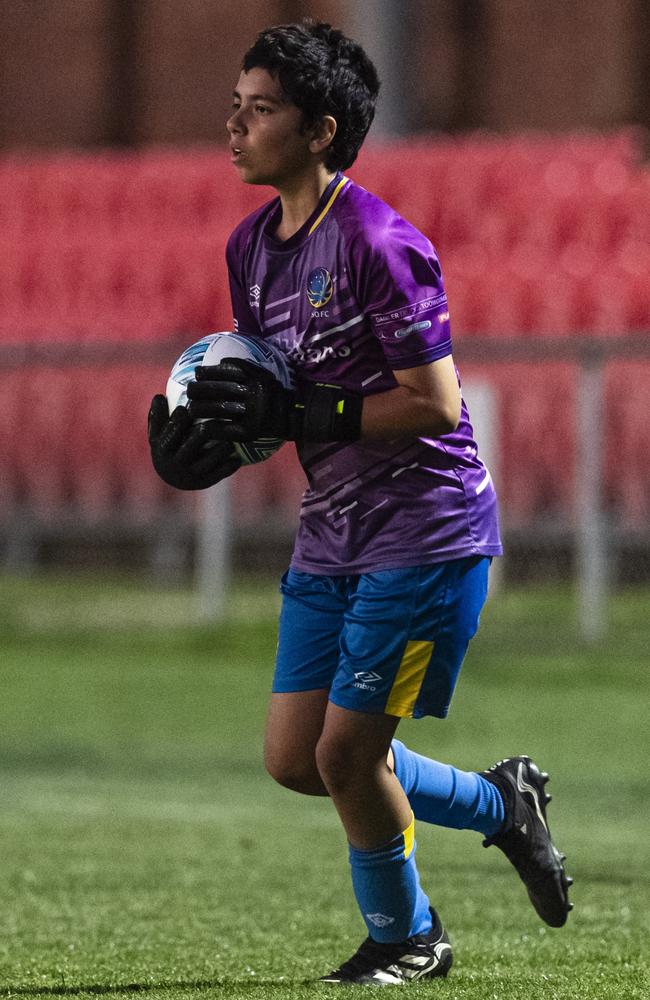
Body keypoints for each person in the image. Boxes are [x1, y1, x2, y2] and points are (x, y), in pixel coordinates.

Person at [148, 20, 572, 986]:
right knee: (296, 757)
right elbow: (269, 399)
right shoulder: (250, 249)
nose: (236, 126)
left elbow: (435, 402)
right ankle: (501, 803)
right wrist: (204, 442)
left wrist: (298, 407)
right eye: (237, 105)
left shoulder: (383, 242)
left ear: (321, 131)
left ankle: (409, 937)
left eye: (262, 111)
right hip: (333, 533)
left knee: (347, 757)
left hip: (428, 532)